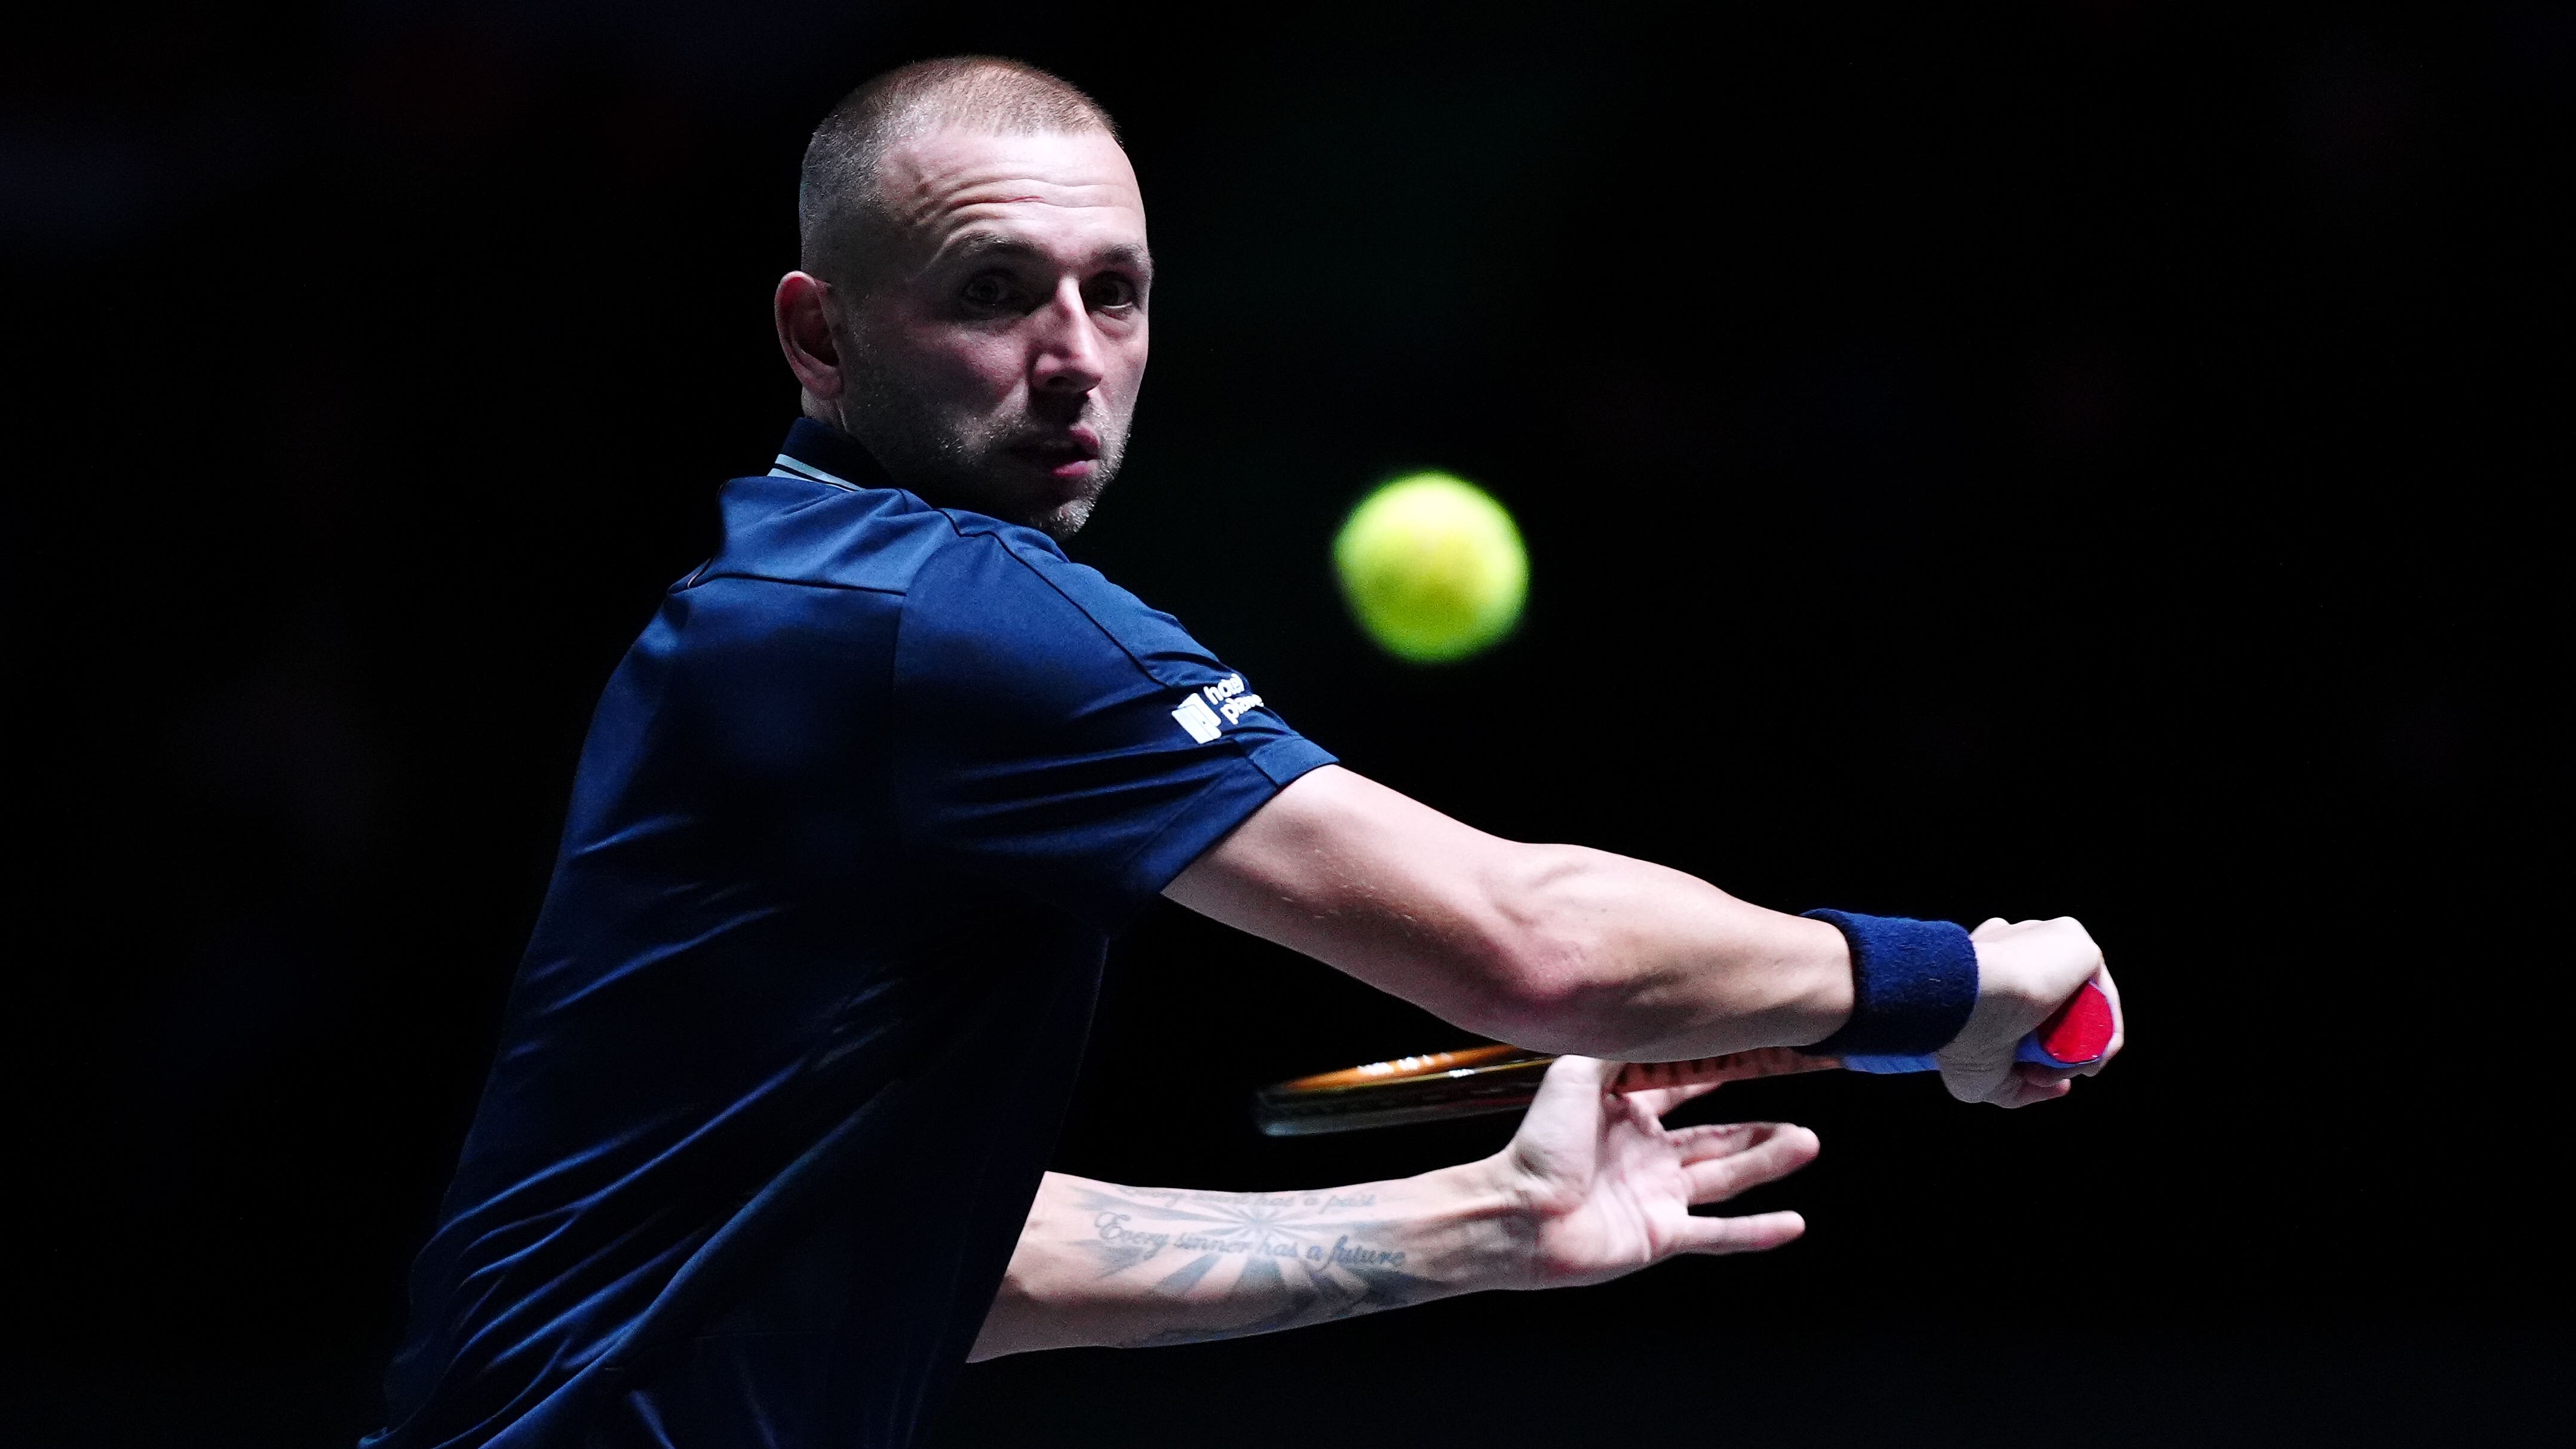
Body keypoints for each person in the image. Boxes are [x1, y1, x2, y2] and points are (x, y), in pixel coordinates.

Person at [365, 55, 2122, 1449]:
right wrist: (1952, 982)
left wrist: (1467, 1230)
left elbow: (914, 1248)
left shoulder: (773, 606)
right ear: (821, 335)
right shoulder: (949, 618)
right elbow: (1537, 944)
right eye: (996, 291)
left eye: (1113, 294)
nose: (1073, 360)